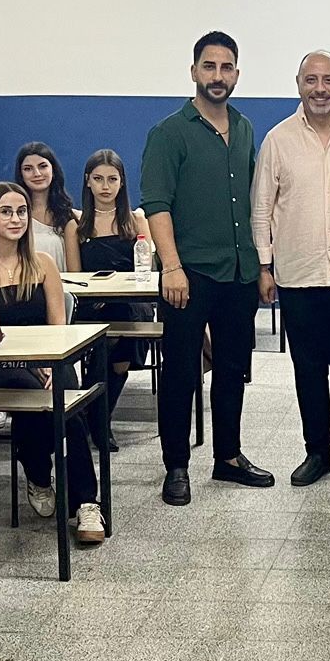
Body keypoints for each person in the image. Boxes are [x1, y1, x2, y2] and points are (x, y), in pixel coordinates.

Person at [141, 31, 273, 505]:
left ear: (237, 73)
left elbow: (256, 202)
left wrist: (262, 265)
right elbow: (157, 204)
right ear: (194, 71)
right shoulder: (169, 133)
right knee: (181, 372)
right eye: (209, 66)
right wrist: (171, 267)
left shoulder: (244, 128)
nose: (218, 76)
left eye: (226, 67)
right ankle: (176, 466)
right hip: (189, 274)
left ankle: (228, 457)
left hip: (238, 272)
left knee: (233, 369)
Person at [252, 50, 330, 488]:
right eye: (311, 80)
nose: (320, 89)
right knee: (307, 370)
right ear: (299, 84)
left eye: (328, 80)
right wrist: (264, 266)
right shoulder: (278, 140)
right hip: (298, 275)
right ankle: (316, 452)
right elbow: (261, 208)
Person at [0, 182, 104, 539]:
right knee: (35, 394)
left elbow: (58, 327)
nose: (16, 219)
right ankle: (40, 474)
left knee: (67, 402)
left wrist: (52, 363)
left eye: (22, 211)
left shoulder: (43, 264)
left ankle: (86, 503)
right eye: (6, 212)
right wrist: (31, 364)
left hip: (46, 359)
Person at [74, 148, 152, 437]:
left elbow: (147, 270)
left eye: (112, 179)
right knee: (108, 336)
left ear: (122, 182)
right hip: (93, 303)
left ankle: (93, 419)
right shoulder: (77, 225)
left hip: (131, 302)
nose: (105, 186)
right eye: (98, 179)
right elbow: (75, 276)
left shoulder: (136, 220)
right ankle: (95, 421)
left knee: (121, 331)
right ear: (88, 181)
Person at [15, 141, 83, 272]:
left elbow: (75, 272)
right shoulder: (15, 217)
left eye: (42, 166)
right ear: (21, 175)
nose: (37, 173)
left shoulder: (69, 217)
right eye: (28, 169)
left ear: (53, 170)